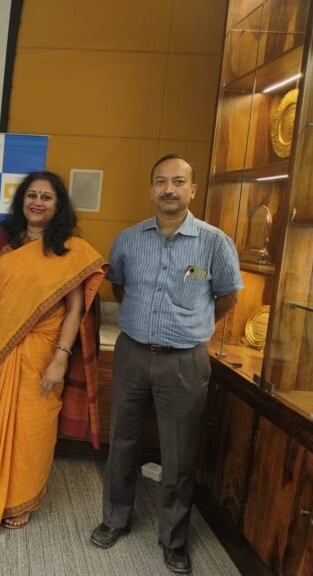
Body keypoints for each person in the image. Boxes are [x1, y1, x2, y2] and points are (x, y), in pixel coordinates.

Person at [89, 154, 243, 574]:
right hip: (133, 354)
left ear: (193, 189)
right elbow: (120, 287)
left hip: (185, 362)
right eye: (161, 181)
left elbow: (228, 297)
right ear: (151, 188)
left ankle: (173, 540)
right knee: (122, 442)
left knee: (179, 455)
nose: (169, 189)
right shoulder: (128, 239)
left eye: (179, 181)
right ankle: (114, 518)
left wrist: (193, 326)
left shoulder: (214, 242)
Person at [0, 171, 107, 535]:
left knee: (35, 425)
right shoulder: (5, 240)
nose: (38, 202)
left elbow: (76, 308)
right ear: (22, 200)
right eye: (32, 195)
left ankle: (23, 496)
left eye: (46, 197)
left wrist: (61, 357)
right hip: (3, 345)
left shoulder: (69, 247)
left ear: (58, 204)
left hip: (45, 348)